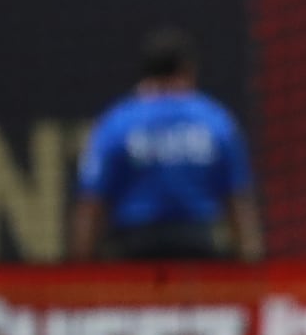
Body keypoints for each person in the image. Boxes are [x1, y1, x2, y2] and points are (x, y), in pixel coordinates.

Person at [71, 25, 263, 262]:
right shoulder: (215, 121)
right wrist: (251, 267)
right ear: (188, 70)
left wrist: (81, 266)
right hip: (197, 251)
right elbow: (238, 203)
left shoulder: (116, 123)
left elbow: (91, 203)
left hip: (134, 252)